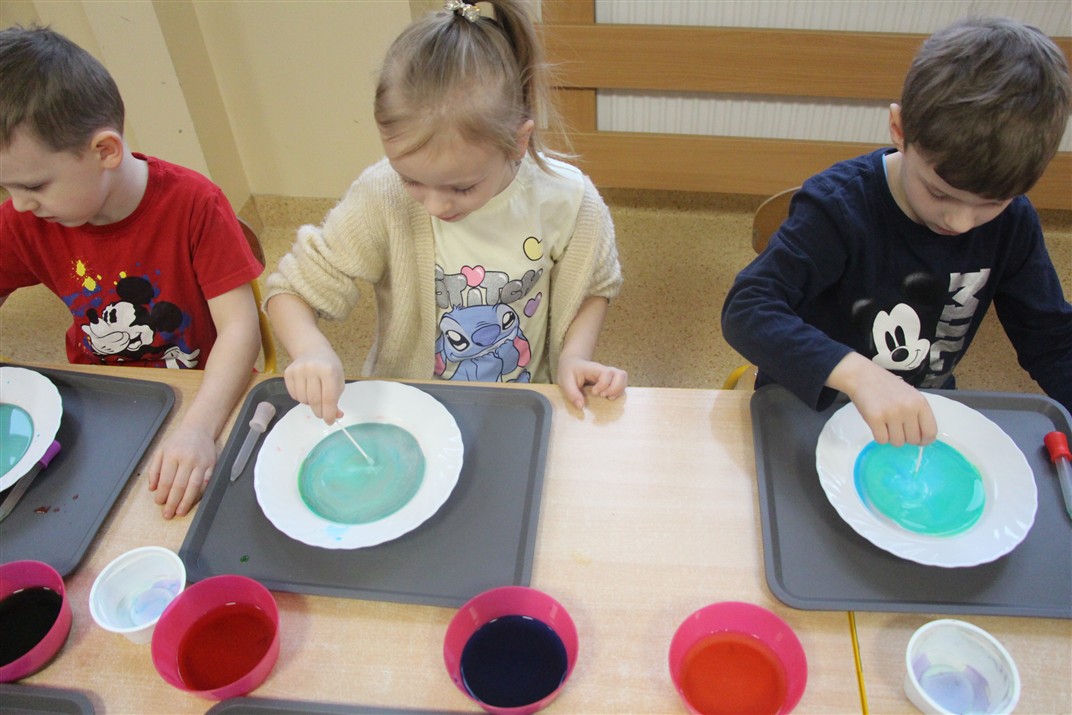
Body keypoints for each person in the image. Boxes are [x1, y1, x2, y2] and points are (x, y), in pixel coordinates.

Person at [266, 0, 626, 420]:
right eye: (411, 179)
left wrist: (574, 356)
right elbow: (291, 291)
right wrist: (310, 349)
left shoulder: (569, 200)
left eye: (462, 187)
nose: (435, 205)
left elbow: (593, 287)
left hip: (522, 403)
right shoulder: (382, 195)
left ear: (518, 142)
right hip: (410, 404)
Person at [722, 16, 1072, 447]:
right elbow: (748, 309)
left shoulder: (1013, 222)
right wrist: (858, 375)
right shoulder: (838, 207)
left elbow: (1053, 342)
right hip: (811, 403)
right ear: (900, 130)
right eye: (939, 193)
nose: (959, 222)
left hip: (920, 409)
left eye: (991, 204)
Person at [0, 26, 263, 519]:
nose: (18, 204)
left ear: (105, 151)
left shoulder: (194, 204)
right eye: (5, 188)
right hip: (99, 400)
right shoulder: (25, 218)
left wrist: (198, 429)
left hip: (202, 395)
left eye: (33, 186)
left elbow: (240, 328)